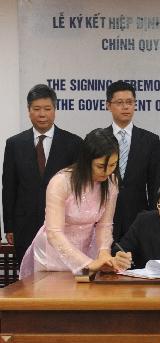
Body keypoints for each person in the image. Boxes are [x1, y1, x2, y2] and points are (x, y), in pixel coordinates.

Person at [19, 129, 123, 279]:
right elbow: (54, 232)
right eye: (101, 166)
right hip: (53, 254)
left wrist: (104, 254)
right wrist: (86, 263)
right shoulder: (61, 182)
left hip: (87, 250)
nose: (107, 172)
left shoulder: (112, 183)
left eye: (113, 165)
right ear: (87, 160)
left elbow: (104, 225)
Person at [3, 84, 82, 264]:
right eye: (36, 109)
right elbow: (8, 187)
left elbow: (78, 188)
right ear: (29, 110)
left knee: (61, 279)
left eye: (47, 109)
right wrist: (9, 226)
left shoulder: (74, 143)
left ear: (55, 110)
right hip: (24, 225)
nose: (42, 114)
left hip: (64, 225)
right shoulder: (15, 144)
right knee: (26, 279)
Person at [105, 80, 160, 243]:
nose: (126, 107)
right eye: (119, 102)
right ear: (108, 105)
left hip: (139, 216)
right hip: (104, 216)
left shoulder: (150, 140)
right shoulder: (97, 138)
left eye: (130, 102)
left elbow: (154, 185)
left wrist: (153, 218)